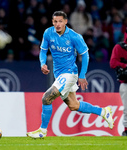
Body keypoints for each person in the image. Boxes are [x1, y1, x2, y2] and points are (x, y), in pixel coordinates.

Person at [26, 11, 114, 139]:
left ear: (65, 22)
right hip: (59, 75)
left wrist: (82, 75)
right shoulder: (48, 33)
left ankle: (42, 131)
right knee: (74, 105)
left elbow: (85, 55)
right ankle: (103, 111)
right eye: (55, 21)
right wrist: (42, 64)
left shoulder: (74, 36)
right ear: (52, 22)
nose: (58, 24)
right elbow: (43, 51)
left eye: (60, 21)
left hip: (69, 74)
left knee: (46, 98)